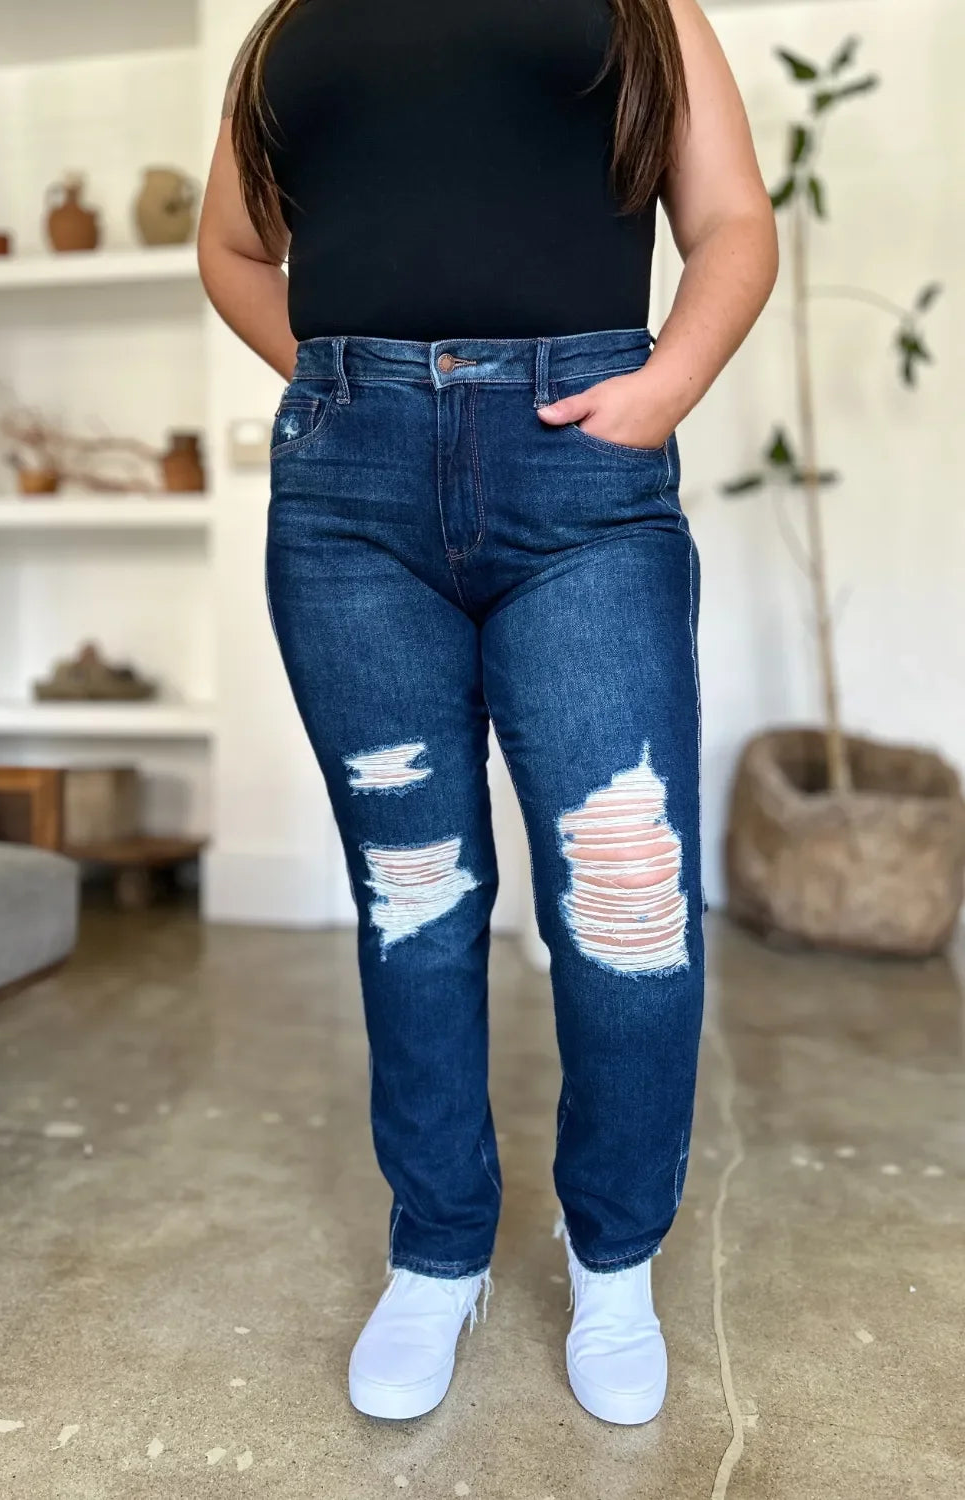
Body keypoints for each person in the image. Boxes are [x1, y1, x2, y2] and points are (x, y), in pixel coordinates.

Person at [198, 0, 777, 1427]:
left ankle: (615, 1258)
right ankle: (439, 1250)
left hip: (579, 478)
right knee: (415, 895)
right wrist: (347, 395)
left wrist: (664, 389)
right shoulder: (293, 23)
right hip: (352, 502)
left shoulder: (641, 6)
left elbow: (733, 225)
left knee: (628, 900)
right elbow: (233, 248)